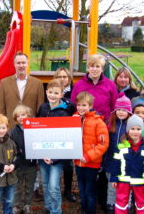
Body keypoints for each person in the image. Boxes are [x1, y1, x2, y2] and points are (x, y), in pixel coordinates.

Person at [70, 54, 118, 211]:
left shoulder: (110, 85)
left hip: (102, 129)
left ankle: (102, 200)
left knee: (102, 168)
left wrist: (109, 125)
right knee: (86, 177)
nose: (94, 69)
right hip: (83, 133)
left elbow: (115, 107)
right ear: (88, 67)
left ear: (102, 68)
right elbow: (73, 104)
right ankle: (87, 203)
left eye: (98, 66)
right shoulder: (79, 85)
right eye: (92, 66)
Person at [37, 79, 75, 214]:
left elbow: (66, 137)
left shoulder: (65, 113)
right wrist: (40, 153)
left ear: (61, 95)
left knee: (53, 186)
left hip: (57, 157)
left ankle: (56, 210)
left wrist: (54, 157)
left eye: (56, 93)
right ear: (46, 92)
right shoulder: (43, 108)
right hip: (43, 154)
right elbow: (36, 132)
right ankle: (48, 207)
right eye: (50, 92)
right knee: (46, 184)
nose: (52, 95)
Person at [74, 92, 109, 214]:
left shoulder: (98, 122)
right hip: (78, 163)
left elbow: (103, 144)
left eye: (84, 105)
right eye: (78, 105)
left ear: (90, 105)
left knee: (90, 191)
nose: (81, 108)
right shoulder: (74, 119)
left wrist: (88, 156)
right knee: (82, 191)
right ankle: (83, 209)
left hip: (91, 164)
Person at [110, 115, 144, 214]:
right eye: (132, 129)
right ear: (128, 130)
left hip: (140, 180)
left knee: (141, 203)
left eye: (138, 129)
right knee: (121, 202)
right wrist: (113, 177)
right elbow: (115, 164)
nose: (135, 132)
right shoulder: (121, 146)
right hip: (123, 179)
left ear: (142, 131)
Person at [0, 52, 45, 129]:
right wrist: (1, 126)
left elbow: (40, 108)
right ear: (14, 64)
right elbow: (0, 108)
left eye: (23, 63)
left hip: (31, 127)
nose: (21, 65)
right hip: (11, 127)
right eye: (18, 63)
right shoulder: (4, 83)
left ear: (28, 64)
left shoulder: (38, 83)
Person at [102, 92, 132, 214]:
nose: (121, 112)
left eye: (124, 110)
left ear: (129, 112)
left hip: (127, 164)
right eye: (118, 109)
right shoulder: (110, 125)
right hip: (111, 162)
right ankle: (111, 206)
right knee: (112, 187)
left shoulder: (131, 126)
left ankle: (126, 207)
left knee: (126, 188)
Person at [10, 105, 37, 214]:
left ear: (29, 116)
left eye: (23, 115)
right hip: (18, 164)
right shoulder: (12, 132)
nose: (21, 117)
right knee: (17, 185)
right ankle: (16, 205)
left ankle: (27, 204)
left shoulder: (34, 129)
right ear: (15, 118)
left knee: (30, 186)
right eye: (18, 116)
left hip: (31, 164)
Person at [54, 67, 76, 202]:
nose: (62, 79)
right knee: (55, 162)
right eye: (60, 77)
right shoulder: (52, 91)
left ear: (69, 78)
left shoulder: (73, 92)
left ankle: (67, 190)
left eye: (65, 77)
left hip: (68, 132)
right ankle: (54, 189)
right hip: (55, 131)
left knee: (68, 164)